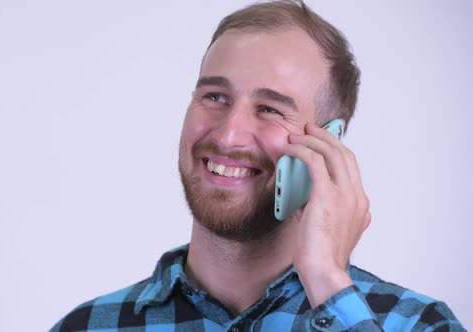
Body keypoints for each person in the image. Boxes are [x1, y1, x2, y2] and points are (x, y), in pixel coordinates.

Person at [50, 1, 464, 331]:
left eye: (268, 109)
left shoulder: (417, 325)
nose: (229, 136)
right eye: (214, 97)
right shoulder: (87, 327)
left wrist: (328, 283)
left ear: (328, 143)